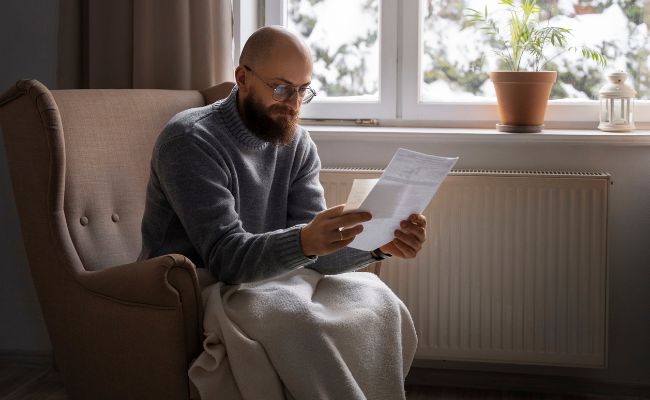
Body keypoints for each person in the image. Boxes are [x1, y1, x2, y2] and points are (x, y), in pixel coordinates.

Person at [138, 25, 427, 284]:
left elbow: (316, 255)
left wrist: (379, 246)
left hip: (264, 282)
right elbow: (225, 259)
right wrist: (303, 242)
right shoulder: (191, 141)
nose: (293, 103)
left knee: (377, 306)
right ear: (242, 78)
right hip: (188, 291)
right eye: (281, 88)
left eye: (302, 90)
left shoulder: (298, 145)